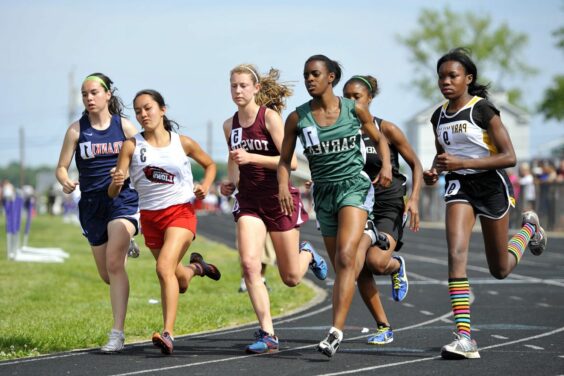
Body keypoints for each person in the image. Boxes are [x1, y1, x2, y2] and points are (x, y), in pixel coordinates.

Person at [423, 48, 547, 360]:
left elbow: (510, 157)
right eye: (441, 76)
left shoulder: (483, 111)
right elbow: (443, 156)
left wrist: (461, 161)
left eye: (453, 76)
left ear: (468, 79)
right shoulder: (438, 116)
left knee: (500, 269)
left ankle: (528, 228)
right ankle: (464, 337)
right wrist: (434, 171)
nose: (446, 82)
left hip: (491, 185)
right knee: (456, 254)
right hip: (460, 187)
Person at [277, 55, 392, 357]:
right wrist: (282, 187)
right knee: (342, 266)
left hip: (353, 186)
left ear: (331, 78)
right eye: (305, 75)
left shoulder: (354, 109)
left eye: (315, 74)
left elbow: (380, 140)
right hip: (324, 194)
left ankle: (335, 332)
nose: (309, 80)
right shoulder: (297, 118)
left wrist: (387, 167)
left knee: (344, 257)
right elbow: (283, 162)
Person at [220, 63, 328, 354]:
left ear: (256, 88)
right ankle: (268, 333)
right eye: (233, 86)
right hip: (250, 202)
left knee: (291, 278)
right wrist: (229, 183)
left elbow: (290, 163)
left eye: (243, 85)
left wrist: (252, 157)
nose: (238, 91)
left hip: (278, 198)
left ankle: (307, 252)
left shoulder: (269, 118)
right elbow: (234, 160)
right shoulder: (229, 125)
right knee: (249, 265)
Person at [108, 89, 219, 355]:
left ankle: (168, 333)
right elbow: (113, 192)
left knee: (162, 268)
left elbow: (210, 164)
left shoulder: (182, 143)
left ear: (162, 110)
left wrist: (204, 185)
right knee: (178, 279)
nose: (143, 115)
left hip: (180, 213)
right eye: (138, 111)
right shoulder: (131, 146)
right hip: (150, 218)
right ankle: (197, 268)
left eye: (148, 108)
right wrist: (116, 182)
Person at [55, 73, 139, 353]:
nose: (89, 98)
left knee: (115, 264)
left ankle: (117, 333)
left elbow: (142, 158)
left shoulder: (124, 127)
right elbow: (62, 167)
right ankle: (124, 244)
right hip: (92, 206)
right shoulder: (76, 131)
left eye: (93, 92)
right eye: (84, 94)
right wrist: (65, 180)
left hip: (122, 199)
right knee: (108, 274)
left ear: (107, 95)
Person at [342, 74, 423, 345]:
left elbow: (416, 165)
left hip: (388, 204)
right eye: (347, 97)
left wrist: (413, 200)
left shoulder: (386, 128)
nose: (352, 103)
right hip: (357, 206)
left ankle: (396, 265)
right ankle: (383, 326)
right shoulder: (341, 131)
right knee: (358, 264)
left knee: (376, 262)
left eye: (357, 97)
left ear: (370, 99)